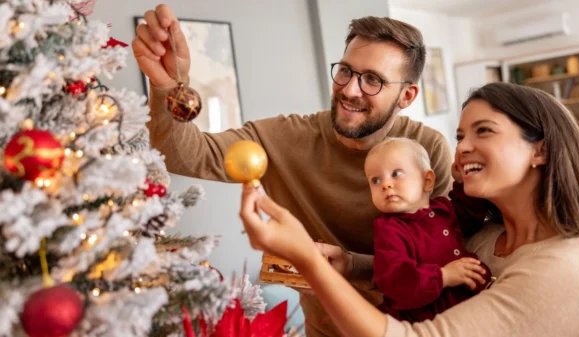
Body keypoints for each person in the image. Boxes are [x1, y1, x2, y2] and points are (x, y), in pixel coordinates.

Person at [133, 5, 452, 336]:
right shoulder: (284, 138)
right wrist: (169, 85)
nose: (350, 90)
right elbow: (185, 155)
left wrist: (351, 265)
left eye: (373, 80)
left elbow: (446, 257)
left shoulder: (428, 149)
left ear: (407, 95)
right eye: (346, 71)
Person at [239, 82, 579, 337]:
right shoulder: (483, 239)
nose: (463, 148)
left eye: (484, 131)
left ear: (541, 151)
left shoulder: (569, 269)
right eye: (460, 137)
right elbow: (425, 262)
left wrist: (309, 261)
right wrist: (351, 265)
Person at [365, 137, 491, 323]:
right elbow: (395, 279)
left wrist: (461, 181)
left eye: (396, 174)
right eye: (376, 180)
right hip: (423, 316)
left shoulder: (443, 209)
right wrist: (444, 276)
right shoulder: (389, 229)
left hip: (466, 303)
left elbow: (470, 218)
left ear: (427, 181)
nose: (386, 184)